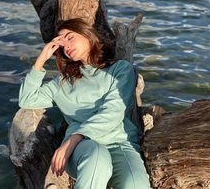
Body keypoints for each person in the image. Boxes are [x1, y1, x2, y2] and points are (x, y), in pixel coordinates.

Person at [19, 18, 150, 189]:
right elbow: (26, 99)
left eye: (70, 37)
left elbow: (113, 111)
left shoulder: (119, 70)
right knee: (97, 157)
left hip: (119, 143)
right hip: (83, 149)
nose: (65, 45)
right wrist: (41, 60)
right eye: (61, 43)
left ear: (88, 35)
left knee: (135, 184)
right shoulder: (62, 83)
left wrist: (74, 138)